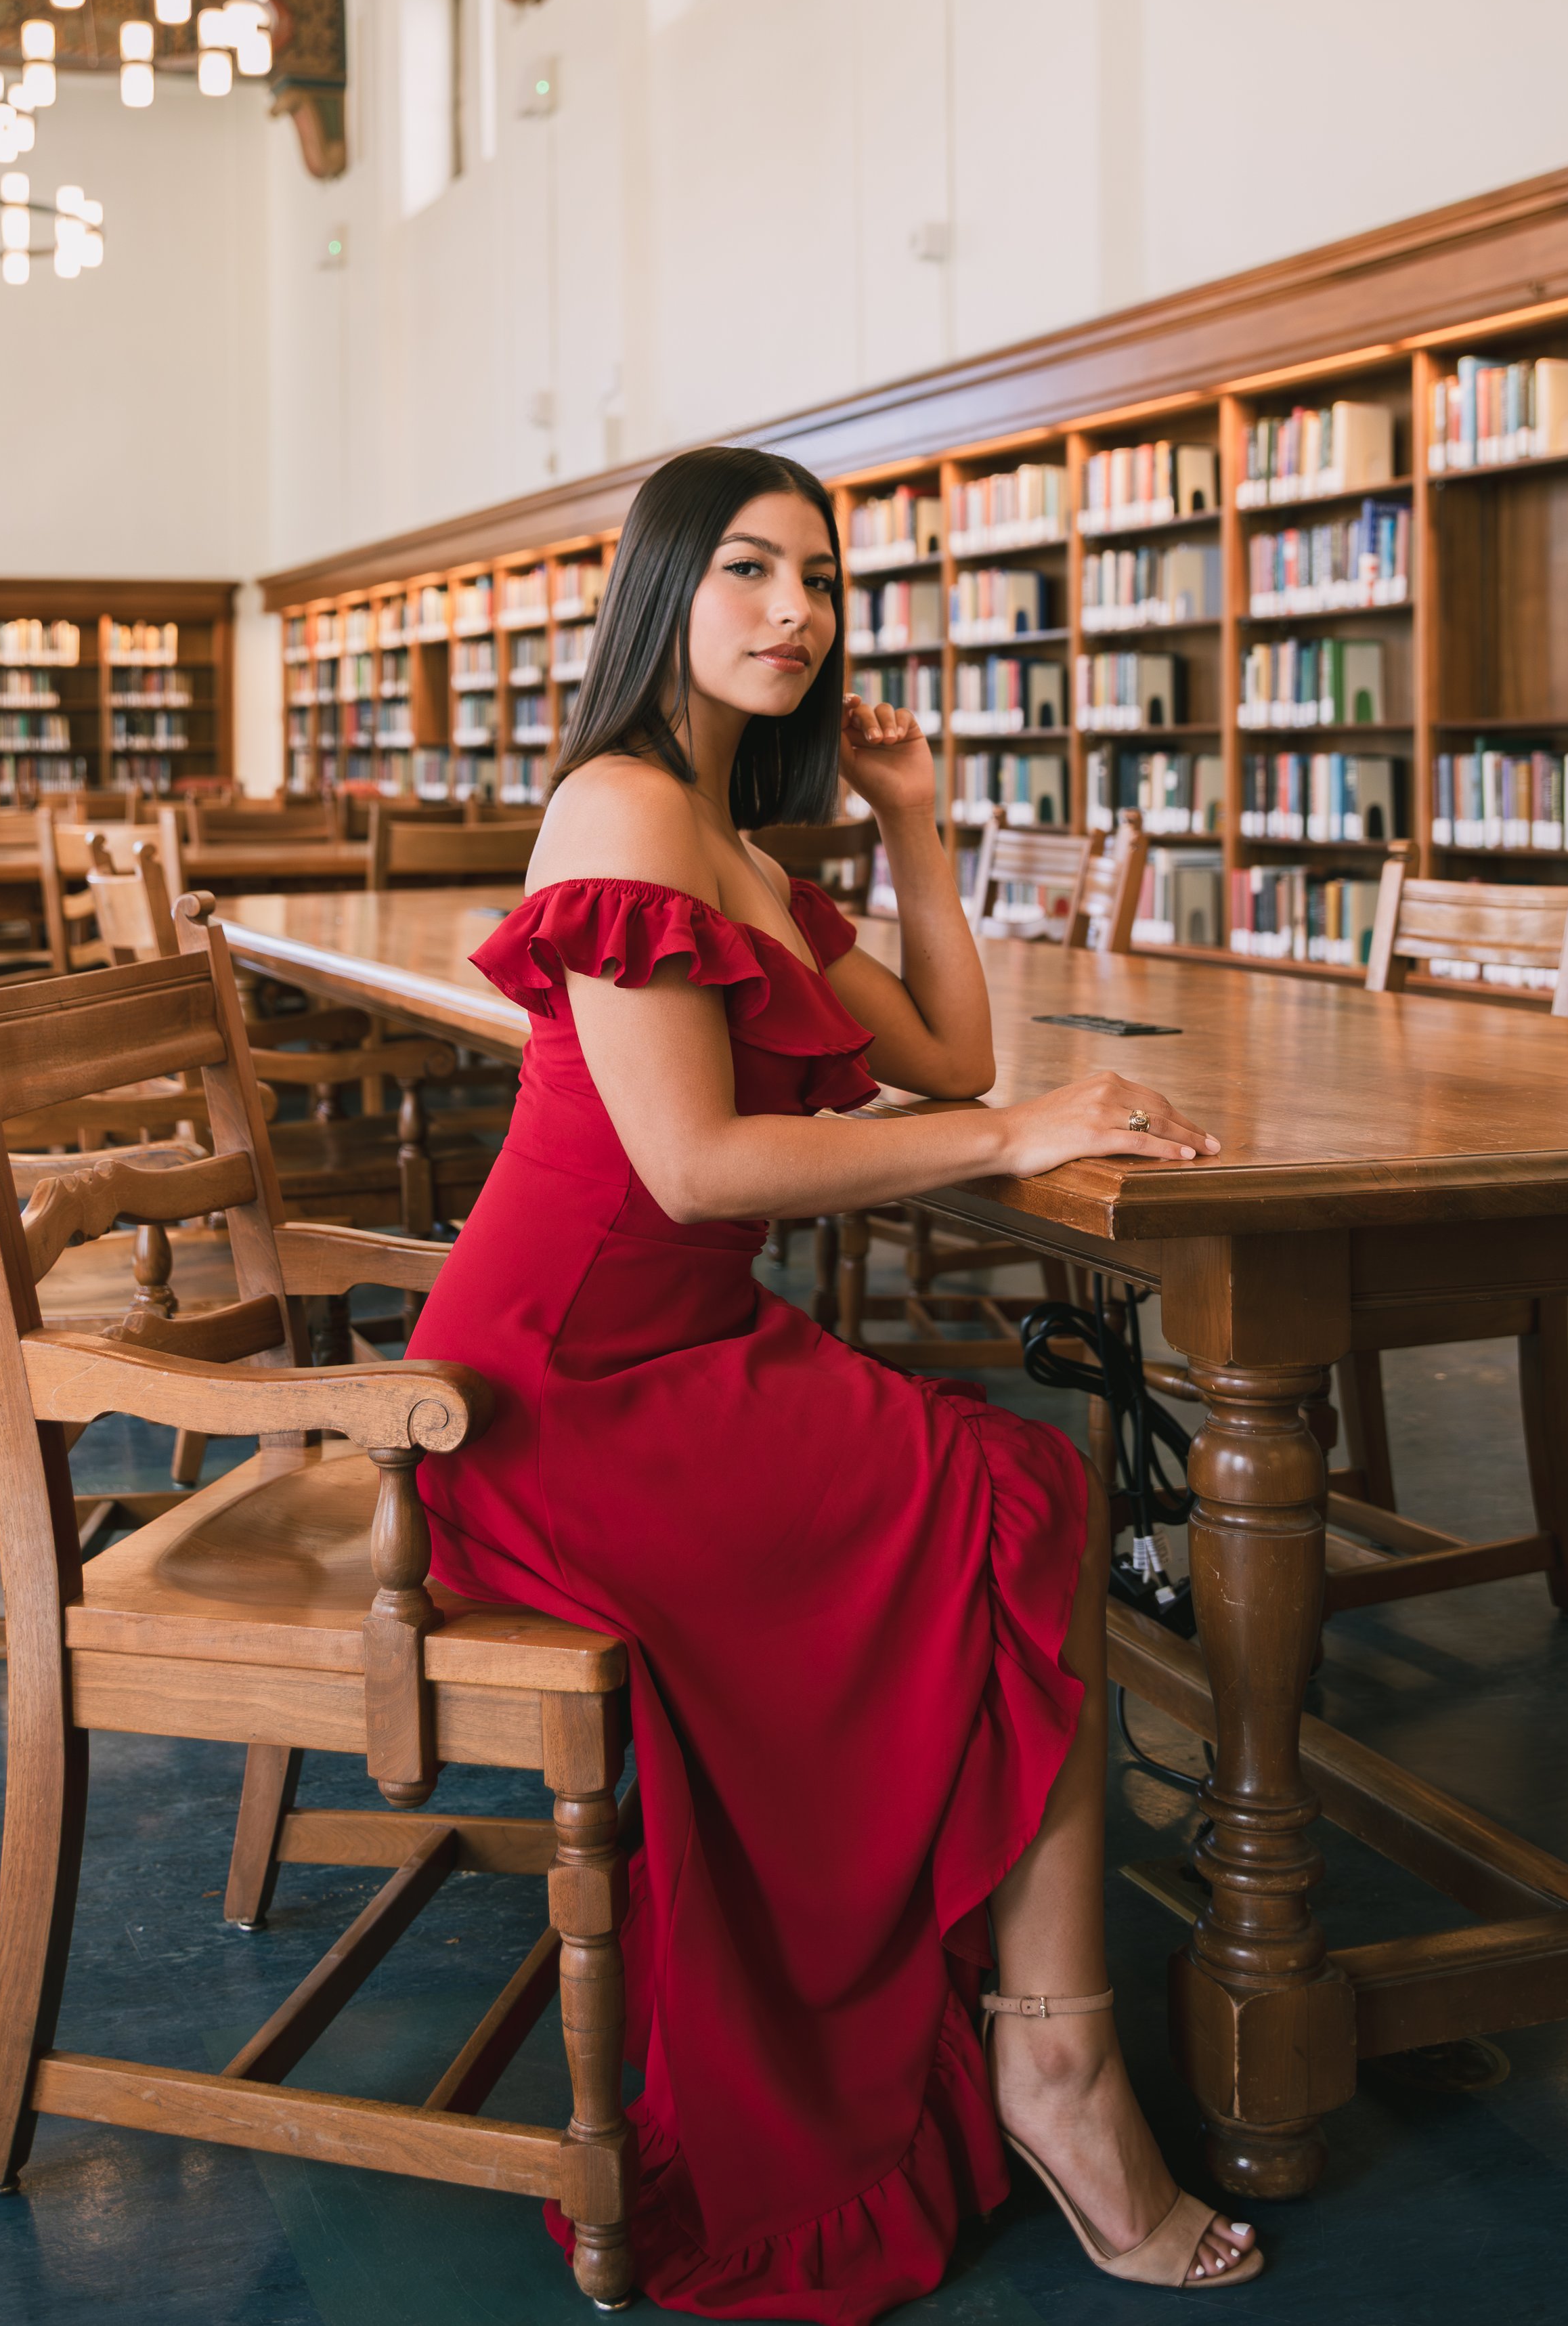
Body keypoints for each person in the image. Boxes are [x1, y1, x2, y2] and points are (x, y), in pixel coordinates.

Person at [411, 445, 1261, 2317]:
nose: (793, 611)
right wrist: (1025, 1126)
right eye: (743, 572)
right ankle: (1054, 2057)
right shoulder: (622, 814)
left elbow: (951, 1058)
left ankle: (1045, 2039)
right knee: (1016, 1495)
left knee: (1016, 1485)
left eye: (817, 576)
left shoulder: (734, 841)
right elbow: (698, 1173)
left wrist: (912, 829)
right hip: (555, 1390)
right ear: (659, 593)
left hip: (684, 1350)